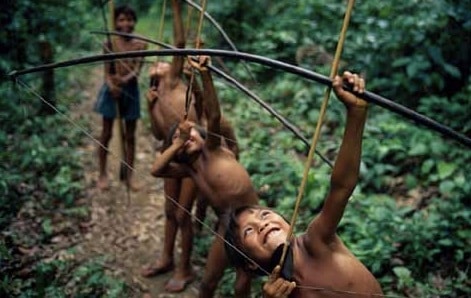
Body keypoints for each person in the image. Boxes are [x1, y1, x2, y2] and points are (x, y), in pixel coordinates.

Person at [224, 71, 384, 297]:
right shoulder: (279, 292)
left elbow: (342, 187)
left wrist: (356, 113)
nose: (262, 224)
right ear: (250, 264)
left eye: (264, 215)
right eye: (249, 230)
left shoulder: (316, 241)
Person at [141, 0, 239, 293]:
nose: (159, 63)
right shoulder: (156, 94)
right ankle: (166, 258)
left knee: (184, 214)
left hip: (194, 155)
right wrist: (149, 108)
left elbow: (180, 42)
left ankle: (185, 268)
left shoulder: (173, 81)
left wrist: (174, 8)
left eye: (163, 60)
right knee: (170, 211)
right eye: (155, 63)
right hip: (173, 151)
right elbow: (160, 133)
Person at [150, 56, 256, 297]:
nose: (188, 139)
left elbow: (214, 115)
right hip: (226, 225)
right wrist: (176, 145)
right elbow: (156, 170)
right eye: (181, 141)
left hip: (252, 219)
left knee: (242, 283)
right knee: (208, 283)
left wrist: (204, 75)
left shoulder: (213, 148)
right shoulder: (189, 169)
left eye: (190, 135)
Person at [94, 4, 147, 191]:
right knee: (106, 134)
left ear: (135, 22)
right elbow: (107, 73)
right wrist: (112, 86)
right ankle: (102, 174)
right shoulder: (110, 43)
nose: (126, 24)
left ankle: (129, 175)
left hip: (130, 91)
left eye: (130, 19)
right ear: (115, 22)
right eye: (121, 20)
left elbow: (136, 71)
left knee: (130, 136)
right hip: (111, 92)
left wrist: (122, 81)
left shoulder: (141, 43)